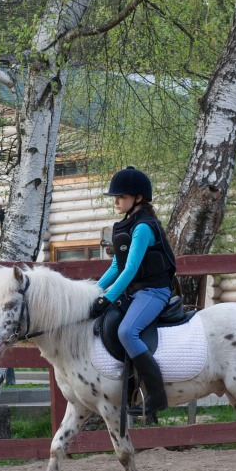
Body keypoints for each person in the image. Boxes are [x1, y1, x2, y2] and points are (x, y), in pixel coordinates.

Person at [88, 166, 177, 423]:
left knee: (127, 332)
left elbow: (131, 269)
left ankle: (157, 396)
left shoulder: (143, 228)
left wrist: (107, 298)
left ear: (138, 198)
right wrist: (93, 292)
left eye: (121, 197)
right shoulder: (123, 226)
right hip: (134, 293)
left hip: (154, 292)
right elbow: (116, 267)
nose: (116, 201)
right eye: (115, 197)